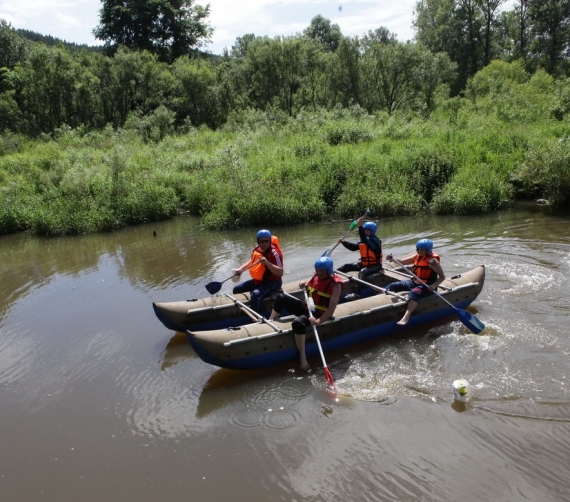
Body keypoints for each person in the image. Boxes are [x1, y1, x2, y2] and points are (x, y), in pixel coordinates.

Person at [269, 256, 342, 370]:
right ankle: (271, 319)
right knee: (280, 297)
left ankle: (303, 358)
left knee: (297, 323)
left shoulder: (336, 285)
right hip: (306, 307)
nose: (320, 273)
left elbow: (331, 309)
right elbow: (308, 286)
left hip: (318, 314)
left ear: (329, 270)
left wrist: (319, 321)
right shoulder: (316, 275)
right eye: (318, 270)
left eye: (323, 271)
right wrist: (303, 285)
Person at [385, 238, 445, 326]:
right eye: (418, 249)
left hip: (427, 286)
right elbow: (402, 262)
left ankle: (406, 317)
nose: (420, 251)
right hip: (414, 282)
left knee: (413, 293)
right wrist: (392, 259)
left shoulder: (433, 261)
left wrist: (434, 285)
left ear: (428, 250)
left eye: (422, 250)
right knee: (393, 285)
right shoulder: (417, 256)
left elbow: (442, 277)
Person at [233, 229, 284, 314]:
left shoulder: (275, 253)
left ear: (270, 240)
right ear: (258, 241)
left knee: (255, 295)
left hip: (273, 282)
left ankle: (259, 317)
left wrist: (267, 263)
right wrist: (240, 269)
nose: (264, 244)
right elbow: (252, 261)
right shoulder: (257, 249)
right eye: (262, 241)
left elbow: (280, 272)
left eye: (267, 241)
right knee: (236, 289)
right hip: (260, 280)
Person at [337, 217, 382, 300]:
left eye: (368, 231)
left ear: (373, 232)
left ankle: (357, 293)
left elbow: (365, 240)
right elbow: (353, 247)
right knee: (345, 266)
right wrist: (343, 242)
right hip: (364, 264)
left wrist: (360, 226)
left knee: (362, 272)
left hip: (375, 266)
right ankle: (331, 277)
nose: (366, 232)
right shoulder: (363, 241)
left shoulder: (375, 241)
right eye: (365, 230)